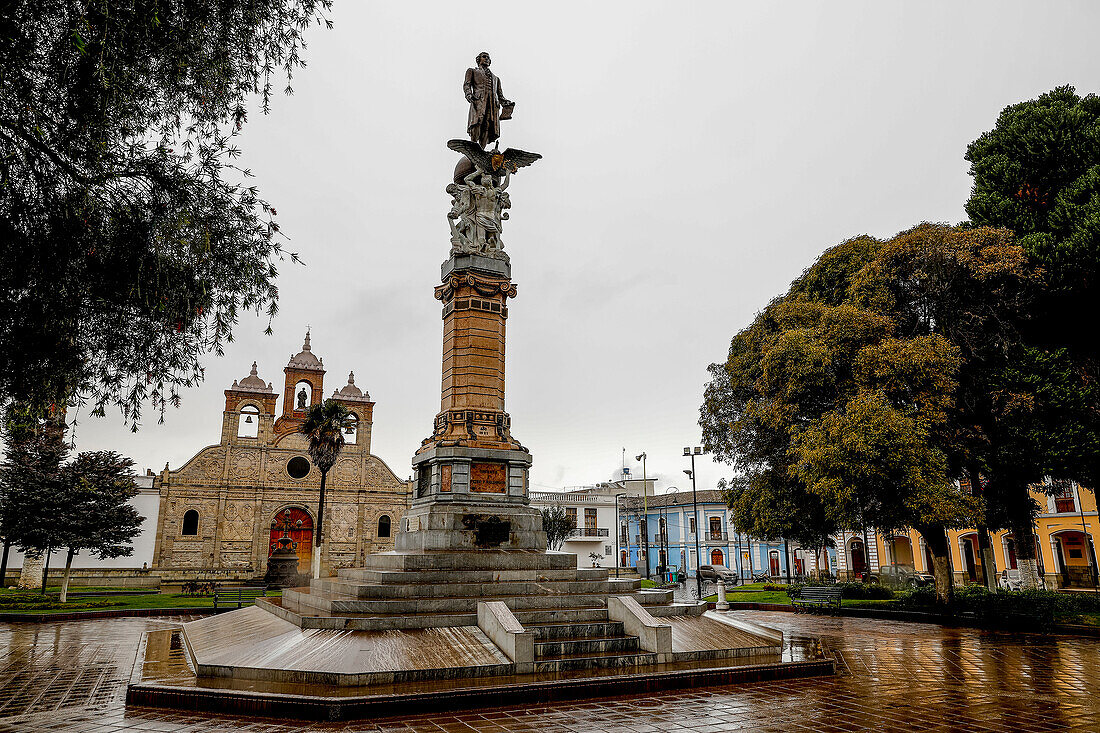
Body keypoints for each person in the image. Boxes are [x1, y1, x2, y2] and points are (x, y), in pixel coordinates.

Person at [464, 52, 513, 148]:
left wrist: (506, 103)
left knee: (488, 125)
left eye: (488, 58)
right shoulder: (472, 71)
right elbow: (467, 85)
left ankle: (482, 150)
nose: (486, 59)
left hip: (492, 105)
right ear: (479, 59)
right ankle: (474, 147)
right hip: (478, 102)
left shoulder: (496, 79)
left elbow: (500, 95)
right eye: (484, 57)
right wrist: (469, 94)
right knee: (477, 123)